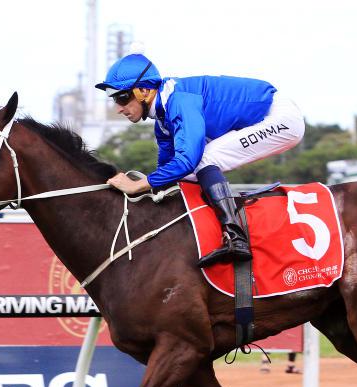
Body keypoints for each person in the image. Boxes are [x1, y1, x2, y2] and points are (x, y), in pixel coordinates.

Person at [95, 53, 305, 268]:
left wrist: (137, 184)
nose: (119, 108)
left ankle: (236, 238)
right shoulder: (163, 122)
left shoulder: (180, 101)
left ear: (145, 91)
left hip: (280, 119)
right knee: (185, 172)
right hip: (265, 118)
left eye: (122, 98)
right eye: (115, 99)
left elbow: (187, 160)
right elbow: (168, 171)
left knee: (203, 159)